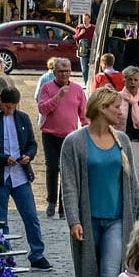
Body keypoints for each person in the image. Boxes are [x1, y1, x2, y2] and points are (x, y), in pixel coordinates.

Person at [58, 87, 139, 277]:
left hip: (117, 221)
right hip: (88, 222)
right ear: (102, 108)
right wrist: (74, 220)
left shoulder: (122, 140)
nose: (120, 111)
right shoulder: (75, 142)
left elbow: (131, 184)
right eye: (116, 107)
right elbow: (70, 185)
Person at [0, 86, 47, 270]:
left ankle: (37, 254)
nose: (10, 110)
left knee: (31, 216)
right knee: (1, 219)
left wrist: (28, 156)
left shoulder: (22, 118)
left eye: (13, 107)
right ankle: (4, 256)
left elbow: (32, 143)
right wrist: (2, 159)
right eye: (7, 107)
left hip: (20, 175)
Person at [36, 57, 87, 217]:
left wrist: (86, 131)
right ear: (54, 72)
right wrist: (58, 97)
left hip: (70, 136)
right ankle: (51, 201)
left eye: (67, 71)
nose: (65, 75)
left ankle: (63, 205)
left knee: (67, 170)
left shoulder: (77, 89)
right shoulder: (47, 87)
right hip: (50, 134)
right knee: (52, 167)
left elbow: (84, 113)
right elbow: (42, 108)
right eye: (61, 71)